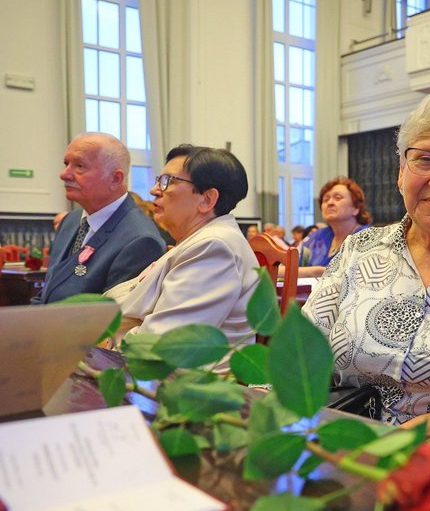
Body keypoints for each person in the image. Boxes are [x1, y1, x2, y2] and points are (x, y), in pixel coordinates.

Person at [302, 86, 430, 425]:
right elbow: (300, 355)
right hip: (340, 444)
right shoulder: (359, 250)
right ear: (401, 171)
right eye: (425, 159)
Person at [105, 144, 260, 369]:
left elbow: (162, 346)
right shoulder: (196, 241)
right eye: (159, 179)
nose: (154, 190)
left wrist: (106, 338)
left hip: (180, 390)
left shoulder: (214, 247)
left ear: (207, 200)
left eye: (168, 181)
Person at [33, 132, 166, 304]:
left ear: (115, 179)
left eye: (79, 166)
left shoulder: (140, 240)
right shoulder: (71, 221)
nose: (64, 174)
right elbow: (47, 295)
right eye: (66, 164)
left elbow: (113, 319)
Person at [297, 177, 373, 277]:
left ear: (356, 208)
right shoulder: (315, 238)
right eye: (325, 199)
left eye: (338, 198)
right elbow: (285, 269)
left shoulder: (369, 238)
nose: (330, 203)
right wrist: (316, 272)